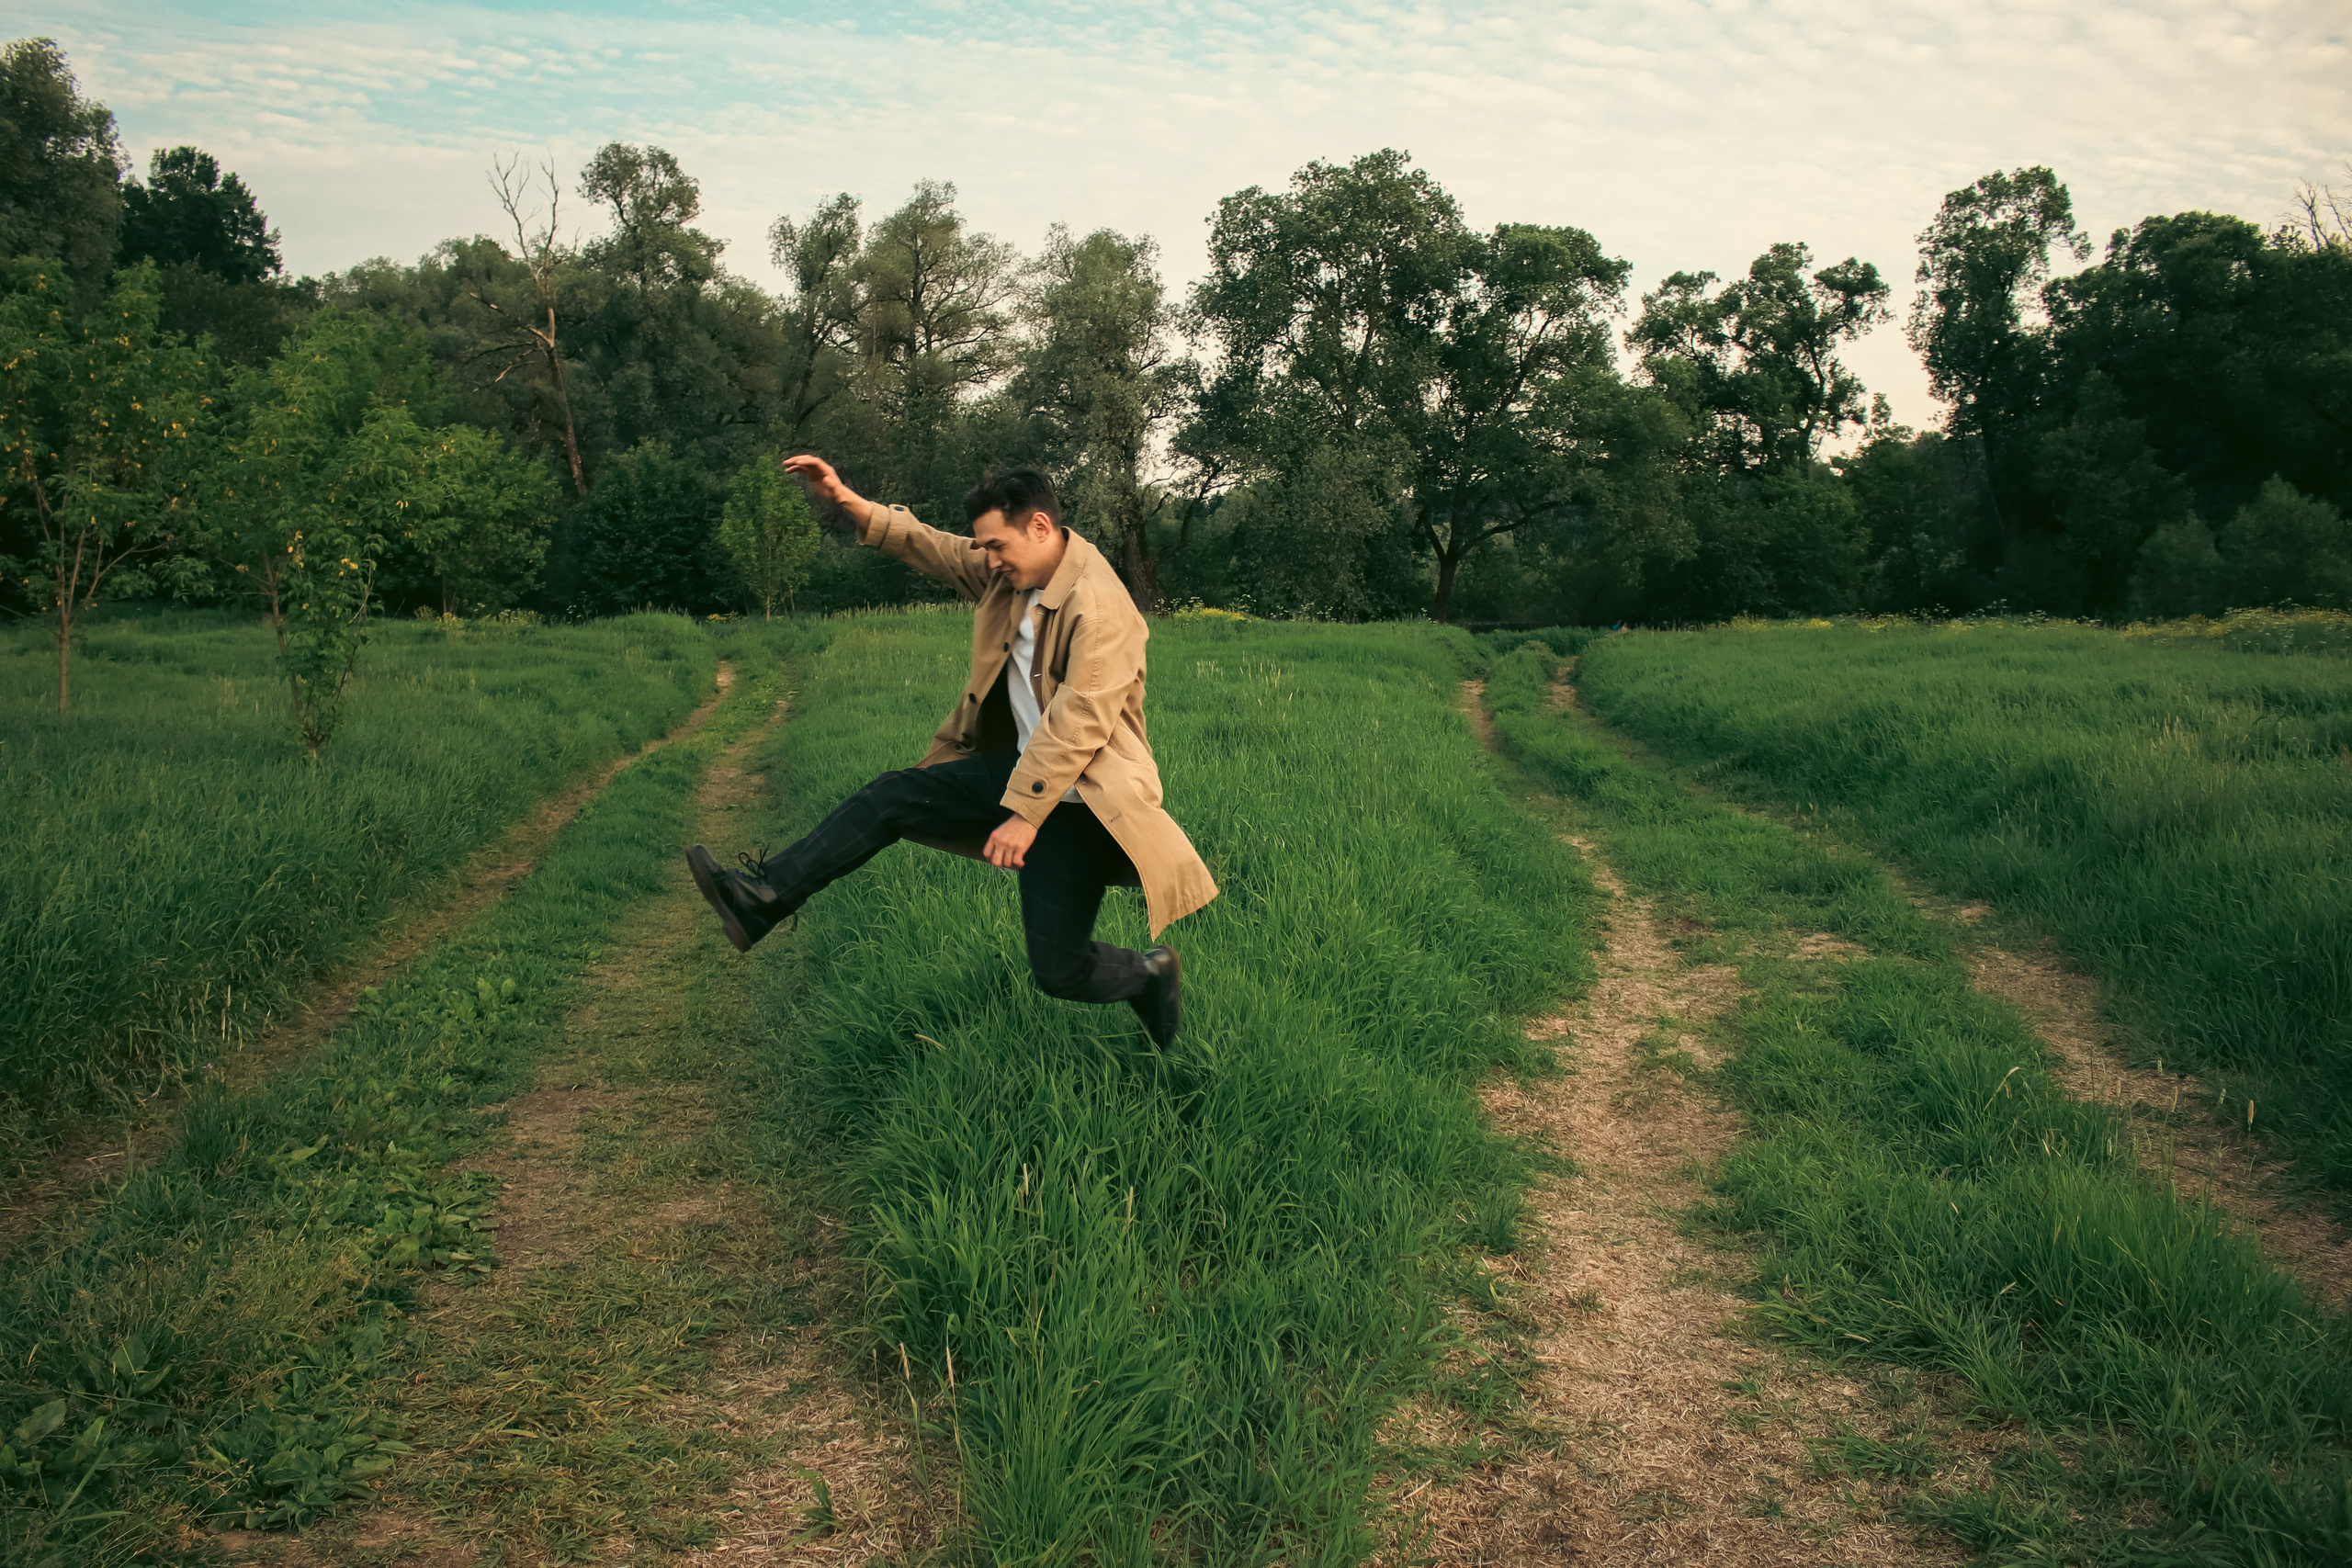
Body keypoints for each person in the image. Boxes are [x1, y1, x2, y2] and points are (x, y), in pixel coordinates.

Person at [685, 457, 1217, 1049]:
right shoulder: (1011, 572)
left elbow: (1081, 718)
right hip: (1023, 774)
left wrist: (1024, 816)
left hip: (1079, 802)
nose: (989, 559)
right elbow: (933, 547)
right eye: (984, 548)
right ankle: (764, 897)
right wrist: (846, 499)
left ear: (1040, 526)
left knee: (1059, 970)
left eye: (997, 546)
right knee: (893, 796)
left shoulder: (1099, 605)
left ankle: (1150, 975)